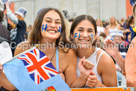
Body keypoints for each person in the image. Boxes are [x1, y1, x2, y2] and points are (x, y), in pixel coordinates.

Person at [0, 8, 93, 90]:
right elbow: (13, 86)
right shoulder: (23, 49)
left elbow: (70, 88)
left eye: (57, 22)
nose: (53, 25)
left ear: (62, 29)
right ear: (39, 25)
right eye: (48, 21)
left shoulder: (67, 53)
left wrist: (83, 76)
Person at [70, 15, 117, 87]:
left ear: (95, 36)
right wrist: (83, 77)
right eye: (80, 30)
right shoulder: (65, 56)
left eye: (90, 31)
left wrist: (97, 84)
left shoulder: (105, 60)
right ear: (72, 35)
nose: (85, 35)